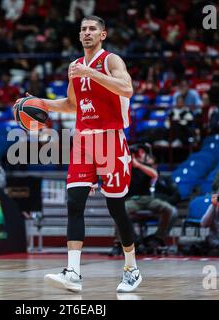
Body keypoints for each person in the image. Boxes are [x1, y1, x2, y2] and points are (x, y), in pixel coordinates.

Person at [27, 16, 141, 293]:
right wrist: (42, 103)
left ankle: (132, 268)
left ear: (103, 34)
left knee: (117, 209)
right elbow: (71, 104)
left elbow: (127, 88)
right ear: (79, 36)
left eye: (92, 29)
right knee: (74, 202)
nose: (87, 33)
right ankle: (73, 273)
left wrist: (91, 74)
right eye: (83, 29)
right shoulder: (74, 66)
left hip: (111, 139)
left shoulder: (111, 61)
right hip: (83, 141)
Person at [124, 144, 178, 249]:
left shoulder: (146, 166)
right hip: (132, 200)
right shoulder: (125, 165)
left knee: (168, 209)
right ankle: (130, 239)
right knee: (120, 211)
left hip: (148, 199)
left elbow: (154, 175)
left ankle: (158, 237)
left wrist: (138, 164)